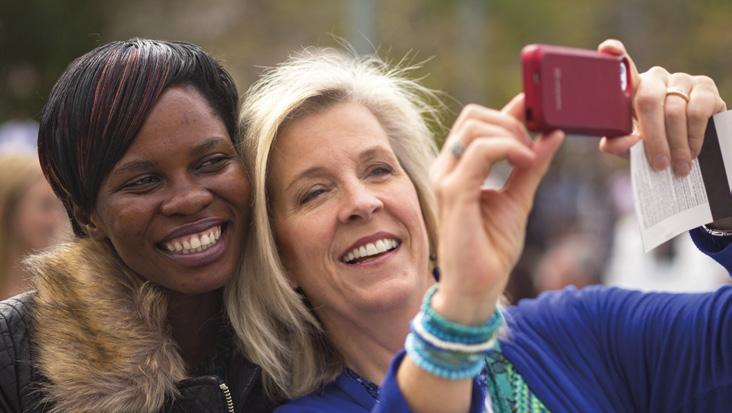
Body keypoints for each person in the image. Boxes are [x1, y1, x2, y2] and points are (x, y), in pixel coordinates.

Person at [235, 39, 731, 412]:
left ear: (421, 197)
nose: (361, 203)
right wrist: (460, 311)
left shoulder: (577, 332)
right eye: (314, 192)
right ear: (280, 258)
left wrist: (715, 172)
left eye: (379, 169)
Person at [0, 39, 276, 413]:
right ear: (86, 215)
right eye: (144, 181)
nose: (189, 199)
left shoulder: (317, 333)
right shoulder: (12, 358)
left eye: (211, 162)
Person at [0, 154, 67, 299]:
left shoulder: (67, 288)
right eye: (45, 206)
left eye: (59, 206)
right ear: (7, 209)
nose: (56, 220)